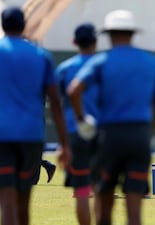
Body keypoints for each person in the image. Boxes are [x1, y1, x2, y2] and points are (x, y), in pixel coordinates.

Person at [67, 9, 155, 225]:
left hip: (110, 135)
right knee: (134, 209)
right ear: (132, 33)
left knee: (104, 204)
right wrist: (152, 130)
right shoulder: (150, 61)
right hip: (140, 134)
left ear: (109, 34)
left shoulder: (102, 60)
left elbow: (74, 90)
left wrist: (82, 119)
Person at [0, 6, 70, 225]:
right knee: (24, 201)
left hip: (2, 135)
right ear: (24, 25)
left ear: (2, 25)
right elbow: (56, 102)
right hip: (31, 136)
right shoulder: (42, 56)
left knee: (7, 200)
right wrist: (65, 143)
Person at [55, 22, 98, 225]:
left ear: (74, 42)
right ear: (96, 42)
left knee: (81, 192)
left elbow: (57, 105)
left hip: (75, 133)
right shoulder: (103, 65)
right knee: (101, 191)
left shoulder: (65, 68)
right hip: (101, 133)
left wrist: (63, 144)